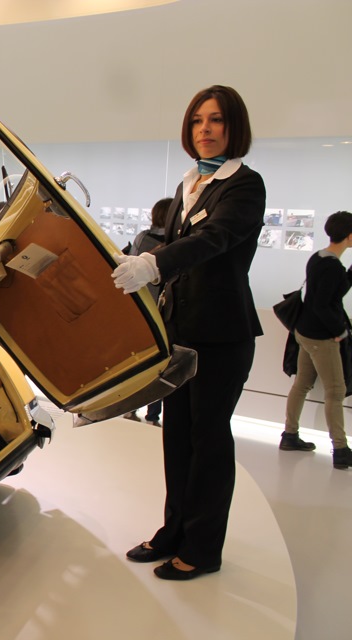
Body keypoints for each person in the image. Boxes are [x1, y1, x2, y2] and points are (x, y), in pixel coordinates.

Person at [111, 85, 266, 580]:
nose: (205, 129)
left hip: (221, 334)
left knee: (209, 443)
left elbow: (213, 238)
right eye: (198, 120)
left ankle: (202, 548)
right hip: (179, 330)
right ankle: (173, 531)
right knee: (176, 437)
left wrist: (152, 264)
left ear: (233, 127)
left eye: (216, 120)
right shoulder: (189, 183)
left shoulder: (244, 184)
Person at [283, 211, 352, 469]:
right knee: (336, 391)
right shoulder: (331, 266)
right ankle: (341, 449)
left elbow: (334, 291)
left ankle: (290, 435)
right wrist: (339, 331)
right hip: (320, 337)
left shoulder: (320, 258)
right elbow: (324, 304)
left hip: (305, 332)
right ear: (349, 236)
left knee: (301, 384)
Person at [122, 197, 172, 426]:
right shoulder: (175, 241)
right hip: (164, 311)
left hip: (142, 310)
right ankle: (153, 415)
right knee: (162, 364)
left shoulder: (143, 238)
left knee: (141, 363)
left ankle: (131, 408)